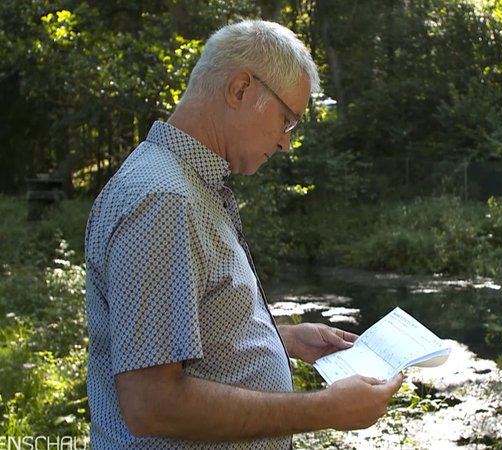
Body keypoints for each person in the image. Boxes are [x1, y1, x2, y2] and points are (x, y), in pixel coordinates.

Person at [84, 19, 403, 450]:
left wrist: (282, 338)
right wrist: (325, 409)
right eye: (288, 119)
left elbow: (189, 339)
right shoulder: (164, 199)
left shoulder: (188, 187)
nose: (287, 142)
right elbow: (152, 402)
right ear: (240, 89)